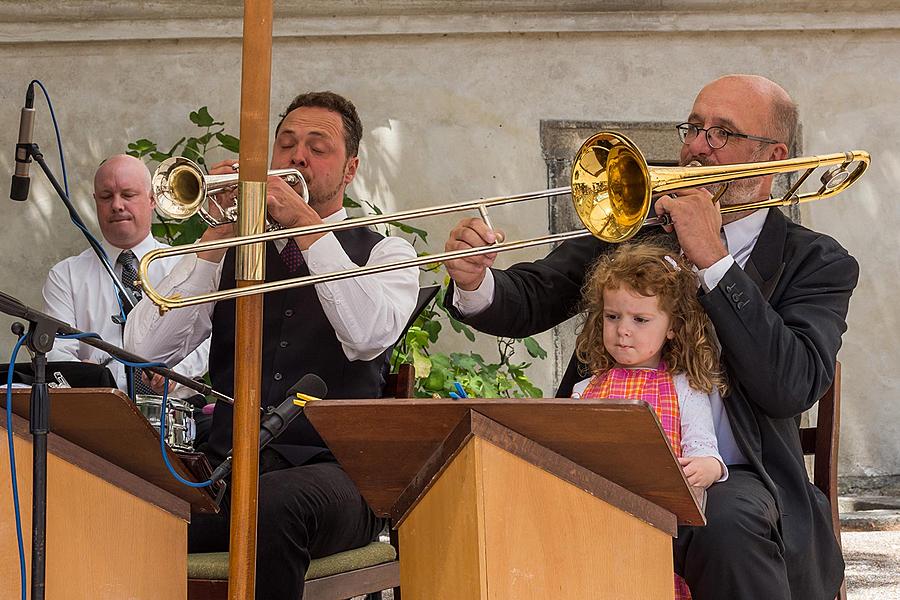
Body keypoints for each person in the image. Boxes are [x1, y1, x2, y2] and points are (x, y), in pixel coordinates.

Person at [443, 74, 857, 599]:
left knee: (724, 526)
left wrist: (714, 260)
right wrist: (478, 281)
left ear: (773, 158)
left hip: (735, 472)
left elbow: (790, 385)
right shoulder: (635, 228)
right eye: (694, 128)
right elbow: (538, 293)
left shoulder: (818, 261)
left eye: (722, 133)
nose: (696, 148)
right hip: (607, 459)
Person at [125, 91, 419, 599]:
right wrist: (217, 237)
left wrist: (304, 223)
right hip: (229, 476)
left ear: (349, 170)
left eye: (316, 147)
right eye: (285, 145)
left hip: (340, 477)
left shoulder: (386, 251)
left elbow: (368, 335)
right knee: (126, 506)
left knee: (274, 504)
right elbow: (146, 348)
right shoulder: (235, 250)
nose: (297, 157)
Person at [572, 242, 728, 599]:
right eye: (613, 317)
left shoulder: (683, 387)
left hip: (659, 522)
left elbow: (702, 442)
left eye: (640, 319)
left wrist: (708, 466)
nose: (623, 330)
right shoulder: (586, 389)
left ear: (672, 326)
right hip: (596, 518)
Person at [41, 154, 209, 398]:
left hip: (176, 412)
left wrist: (177, 373)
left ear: (152, 199)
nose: (117, 205)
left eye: (128, 195)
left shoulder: (183, 264)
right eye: (107, 196)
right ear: (95, 201)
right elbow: (57, 353)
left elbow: (211, 337)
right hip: (99, 415)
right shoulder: (65, 275)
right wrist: (81, 374)